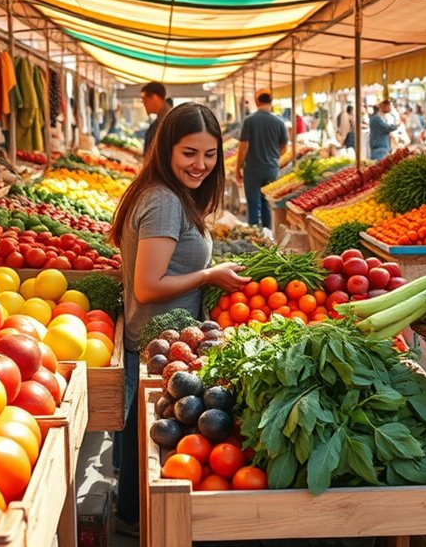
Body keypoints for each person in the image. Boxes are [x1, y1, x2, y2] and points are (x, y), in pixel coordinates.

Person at [108, 103, 250, 535]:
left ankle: (135, 519)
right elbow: (147, 285)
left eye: (210, 155)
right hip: (160, 351)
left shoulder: (163, 194)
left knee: (141, 464)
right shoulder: (164, 202)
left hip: (167, 346)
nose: (201, 164)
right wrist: (209, 274)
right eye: (190, 153)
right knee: (146, 475)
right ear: (167, 148)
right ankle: (142, 526)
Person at [236, 88, 288, 229]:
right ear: (271, 102)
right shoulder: (279, 122)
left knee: (253, 203)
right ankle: (266, 234)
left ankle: (254, 237)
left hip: (252, 169)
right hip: (272, 169)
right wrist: (273, 156)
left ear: (257, 102)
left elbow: (243, 147)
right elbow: (284, 148)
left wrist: (238, 168)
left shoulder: (249, 121)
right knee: (266, 204)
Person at [140, 81, 170, 155]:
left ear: (155, 98)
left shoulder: (169, 121)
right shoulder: (160, 120)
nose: (144, 104)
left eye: (145, 100)